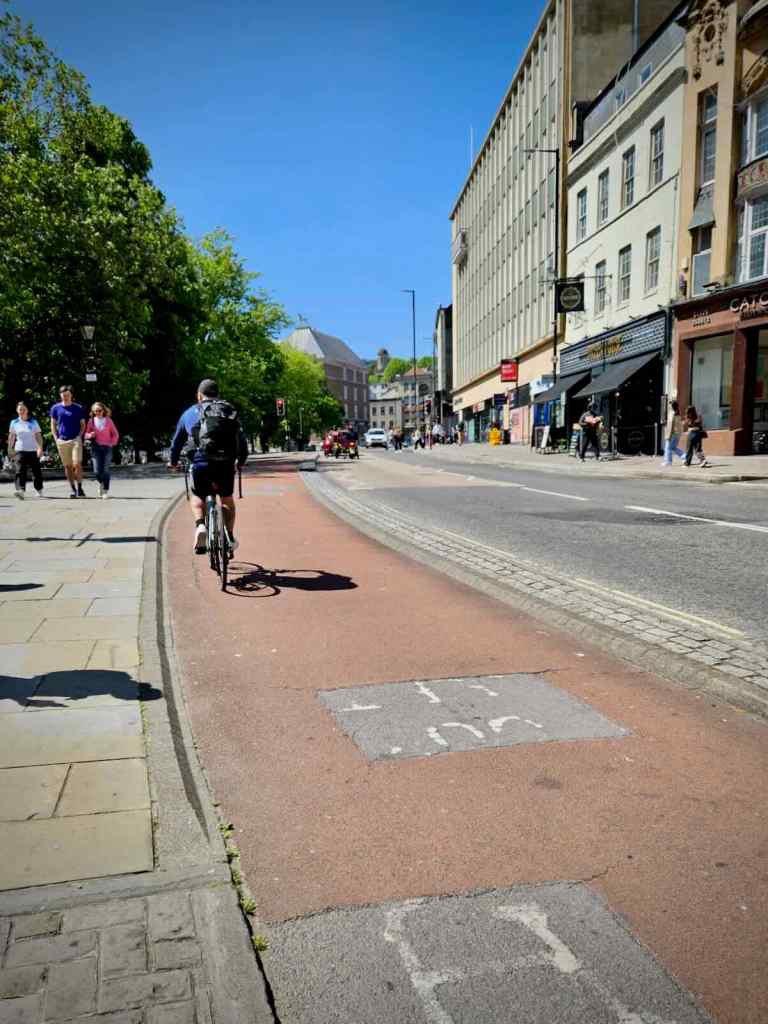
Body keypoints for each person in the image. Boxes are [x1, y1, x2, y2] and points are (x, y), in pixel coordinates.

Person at [169, 379, 248, 553]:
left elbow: (176, 442)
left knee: (197, 498)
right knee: (227, 499)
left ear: (199, 395)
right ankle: (229, 536)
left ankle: (200, 527)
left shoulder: (189, 413)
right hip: (225, 462)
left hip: (200, 462)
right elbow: (241, 439)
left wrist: (173, 462)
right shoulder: (227, 410)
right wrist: (241, 461)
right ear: (218, 395)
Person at [50, 385, 86, 498]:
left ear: (71, 395)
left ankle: (80, 487)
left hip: (75, 439)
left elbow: (83, 425)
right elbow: (53, 424)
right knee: (68, 466)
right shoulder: (55, 408)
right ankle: (72, 489)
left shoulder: (77, 408)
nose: (65, 397)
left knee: (77, 464)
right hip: (62, 440)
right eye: (63, 395)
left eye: (67, 395)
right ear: (60, 396)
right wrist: (56, 438)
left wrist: (79, 436)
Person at [8, 401, 44, 499]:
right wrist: (10, 448)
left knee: (36, 471)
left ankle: (39, 489)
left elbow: (38, 436)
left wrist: (40, 448)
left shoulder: (33, 421)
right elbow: (12, 436)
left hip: (33, 450)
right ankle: (21, 490)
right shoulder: (14, 422)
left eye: (24, 409)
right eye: (20, 409)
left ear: (27, 410)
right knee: (20, 470)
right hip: (19, 449)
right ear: (17, 410)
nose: (22, 411)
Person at [84, 402, 120, 499]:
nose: (98, 412)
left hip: (107, 448)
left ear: (103, 410)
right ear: (93, 412)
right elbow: (86, 434)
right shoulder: (91, 421)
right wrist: (90, 435)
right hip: (95, 447)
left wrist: (112, 443)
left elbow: (115, 434)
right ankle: (100, 483)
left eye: (99, 410)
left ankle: (105, 490)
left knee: (105, 469)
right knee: (97, 471)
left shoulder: (108, 421)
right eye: (96, 411)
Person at [661, 400, 685, 466]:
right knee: (673, 447)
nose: (669, 406)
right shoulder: (678, 413)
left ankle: (668, 461)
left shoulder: (672, 413)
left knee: (668, 447)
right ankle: (685, 456)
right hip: (678, 433)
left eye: (670, 405)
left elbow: (671, 425)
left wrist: (668, 435)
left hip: (673, 433)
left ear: (672, 406)